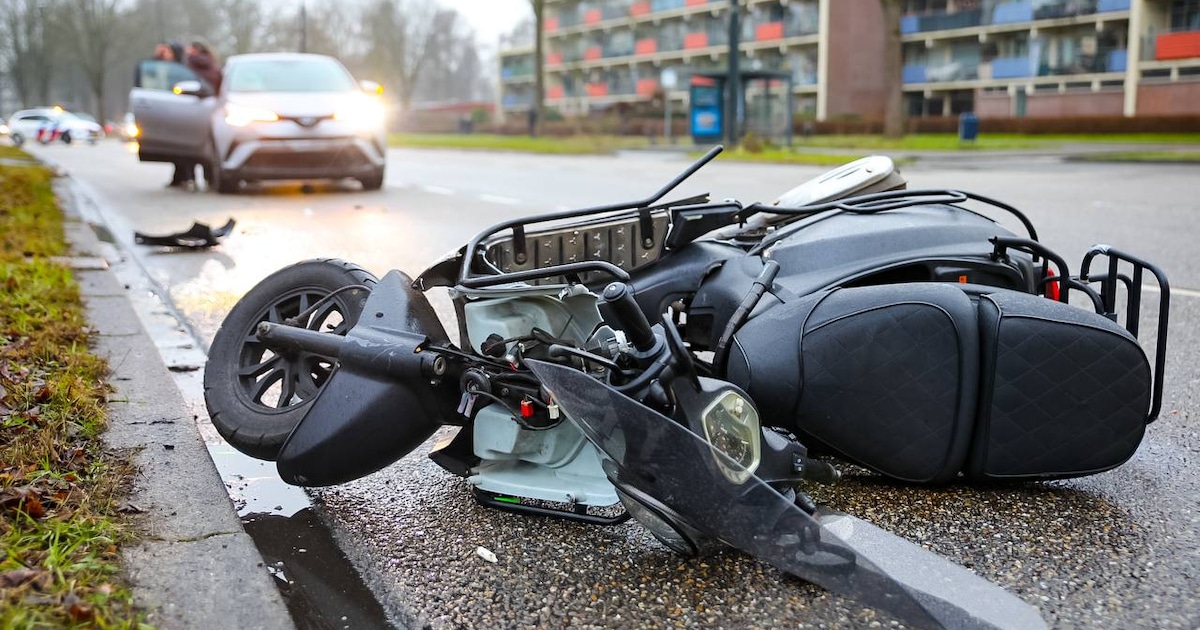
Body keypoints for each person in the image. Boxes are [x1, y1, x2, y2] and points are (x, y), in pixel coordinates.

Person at [183, 39, 222, 188]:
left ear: (194, 50)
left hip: (190, 109)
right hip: (211, 109)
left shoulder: (189, 66)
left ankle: (189, 178)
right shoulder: (214, 65)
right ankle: (209, 178)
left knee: (188, 145)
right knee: (208, 145)